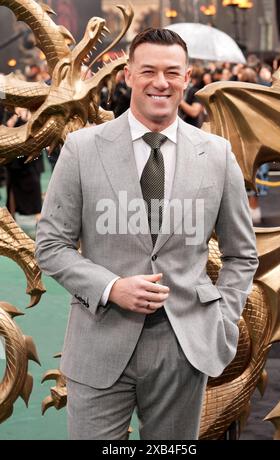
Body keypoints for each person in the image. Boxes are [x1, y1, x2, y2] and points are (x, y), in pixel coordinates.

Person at [35, 28, 258, 440]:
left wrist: (222, 320)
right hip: (99, 339)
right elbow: (50, 245)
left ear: (187, 77)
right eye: (149, 71)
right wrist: (111, 287)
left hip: (184, 346)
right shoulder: (82, 149)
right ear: (129, 76)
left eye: (172, 72)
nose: (161, 82)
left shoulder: (217, 155)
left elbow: (241, 254)